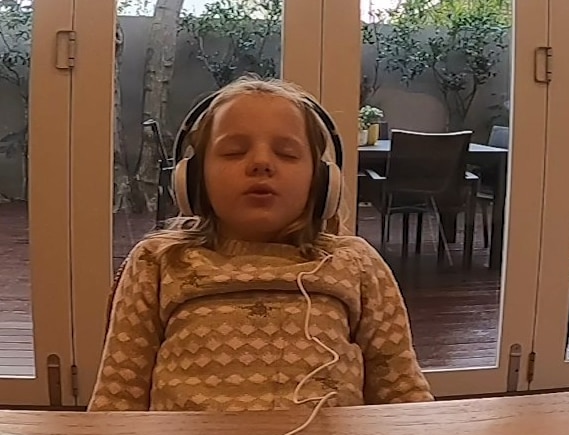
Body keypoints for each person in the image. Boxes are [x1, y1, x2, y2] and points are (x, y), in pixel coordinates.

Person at [88, 75, 433, 412]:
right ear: (193, 179)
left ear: (322, 181)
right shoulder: (157, 262)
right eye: (234, 152)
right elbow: (117, 401)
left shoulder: (356, 264)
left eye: (286, 153)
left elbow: (403, 394)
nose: (262, 163)